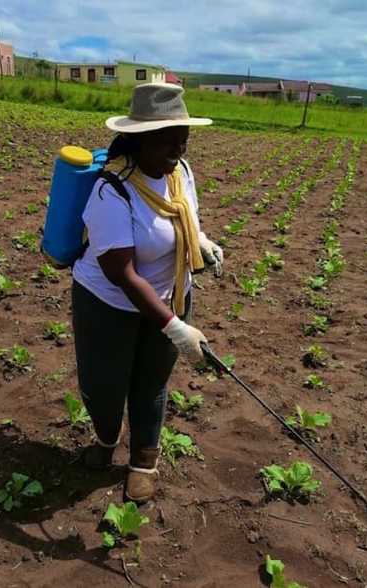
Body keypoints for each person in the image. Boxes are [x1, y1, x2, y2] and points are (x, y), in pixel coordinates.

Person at [71, 83, 225, 503]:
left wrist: (203, 242)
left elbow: (186, 219)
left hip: (171, 294)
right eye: (166, 141)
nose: (177, 150)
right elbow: (121, 272)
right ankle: (105, 439)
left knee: (152, 383)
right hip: (108, 304)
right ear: (138, 139)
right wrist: (175, 327)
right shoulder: (112, 190)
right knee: (104, 387)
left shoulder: (180, 173)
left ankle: (143, 461)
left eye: (182, 139)